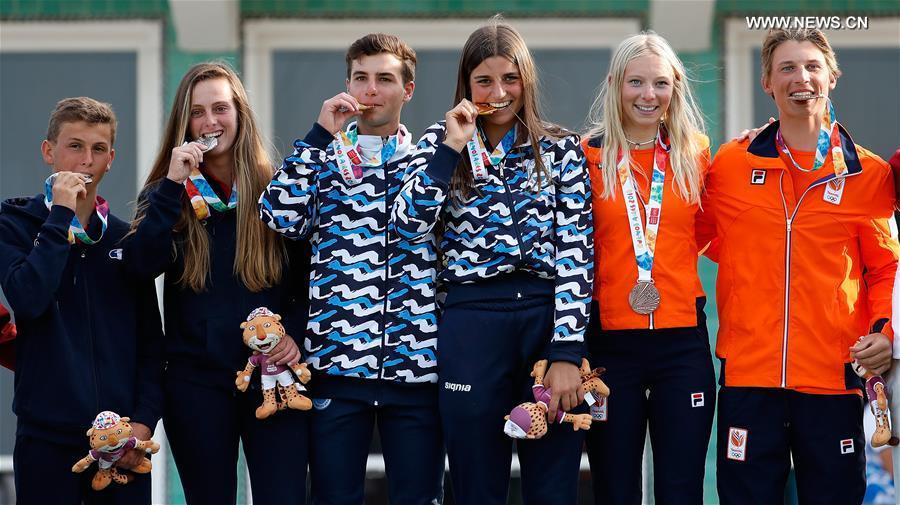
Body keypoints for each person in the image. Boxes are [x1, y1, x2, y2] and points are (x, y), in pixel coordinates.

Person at [390, 20, 594, 504]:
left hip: (545, 323)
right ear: (466, 84)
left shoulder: (561, 149)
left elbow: (577, 252)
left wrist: (566, 349)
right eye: (484, 80)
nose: (498, 93)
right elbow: (407, 226)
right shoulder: (439, 144)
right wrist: (451, 148)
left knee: (552, 487)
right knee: (475, 484)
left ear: (527, 81)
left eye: (510, 79)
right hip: (471, 324)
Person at [703, 28, 899, 504]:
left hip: (833, 380)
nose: (801, 78)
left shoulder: (868, 175)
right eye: (787, 68)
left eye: (812, 67)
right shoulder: (730, 164)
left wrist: (886, 333)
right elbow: (701, 239)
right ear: (767, 82)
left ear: (832, 77)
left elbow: (887, 269)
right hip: (749, 380)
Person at [258, 34, 444, 504]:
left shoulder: (432, 162)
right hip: (336, 369)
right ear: (347, 84)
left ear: (408, 90)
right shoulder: (323, 159)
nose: (371, 90)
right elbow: (277, 214)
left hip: (416, 371)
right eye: (361, 78)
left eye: (385, 79)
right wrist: (320, 134)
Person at [125, 62, 310, 504]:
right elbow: (136, 268)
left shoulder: (276, 190)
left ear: (240, 114)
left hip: (274, 379)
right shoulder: (166, 195)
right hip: (196, 385)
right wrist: (171, 186)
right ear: (184, 123)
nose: (210, 122)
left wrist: (296, 336)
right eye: (198, 112)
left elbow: (310, 279)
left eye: (221, 108)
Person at [0, 97, 163, 504]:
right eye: (74, 146)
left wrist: (142, 425)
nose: (85, 161)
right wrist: (59, 215)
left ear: (111, 159)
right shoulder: (14, 224)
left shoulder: (126, 240)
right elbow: (29, 297)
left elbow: (151, 346)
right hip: (45, 441)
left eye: (98, 149)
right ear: (48, 151)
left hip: (121, 447)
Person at [580, 32, 715, 504]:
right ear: (615, 84)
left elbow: (709, 234)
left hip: (681, 340)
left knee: (681, 489)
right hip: (609, 342)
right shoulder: (585, 156)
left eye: (660, 83)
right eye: (635, 82)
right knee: (616, 489)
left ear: (675, 87)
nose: (647, 95)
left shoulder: (696, 152)